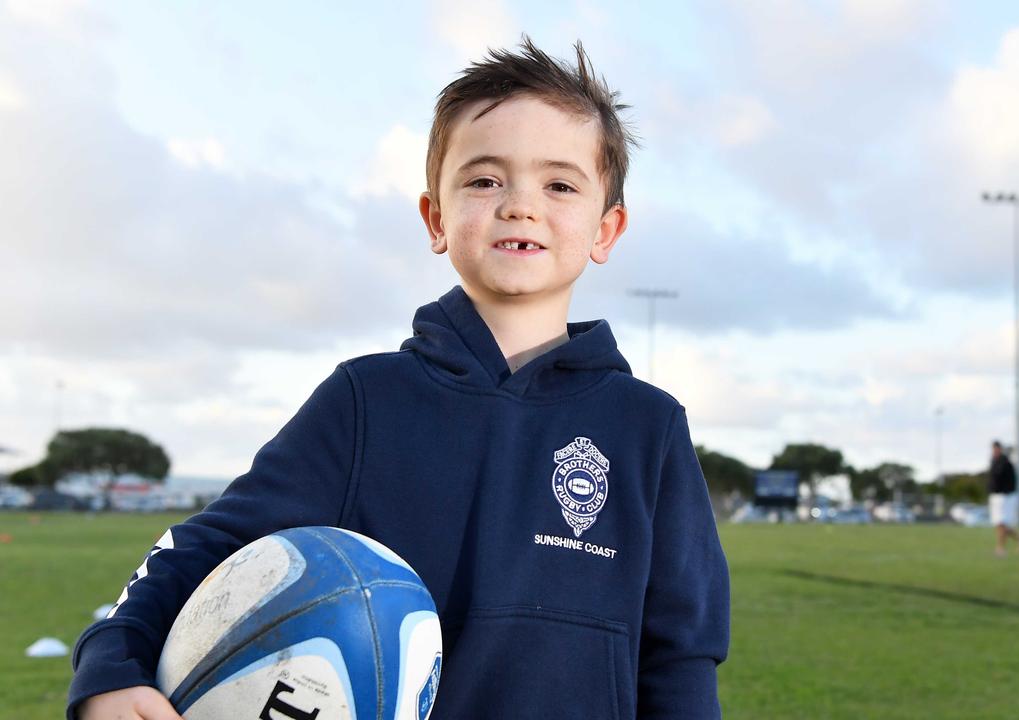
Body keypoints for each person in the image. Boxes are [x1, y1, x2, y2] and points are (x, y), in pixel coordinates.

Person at [69, 39, 730, 720]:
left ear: (606, 228)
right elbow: (208, 547)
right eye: (483, 179)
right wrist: (111, 662)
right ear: (436, 219)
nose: (519, 205)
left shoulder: (647, 427)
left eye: (559, 184)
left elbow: (679, 653)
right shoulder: (364, 400)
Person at [987, 441, 1019, 557]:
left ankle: (1001, 549)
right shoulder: (994, 461)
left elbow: (999, 479)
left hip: (1005, 496)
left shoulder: (1004, 462)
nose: (994, 451)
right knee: (999, 524)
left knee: (1001, 523)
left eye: (996, 449)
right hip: (996, 496)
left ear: (1000, 449)